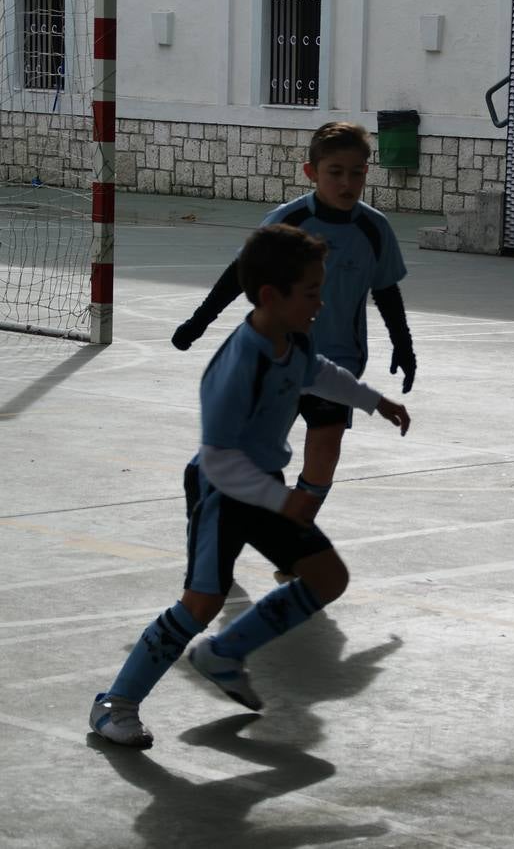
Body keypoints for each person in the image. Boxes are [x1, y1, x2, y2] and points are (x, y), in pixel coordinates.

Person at [89, 224, 410, 748]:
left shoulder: (291, 338)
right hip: (224, 490)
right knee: (200, 603)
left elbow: (318, 373)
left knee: (327, 577)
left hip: (265, 485)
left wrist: (373, 400)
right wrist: (286, 500)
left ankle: (224, 653)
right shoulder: (241, 363)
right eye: (311, 292)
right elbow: (217, 460)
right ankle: (115, 703)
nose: (320, 300)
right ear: (270, 296)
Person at [171, 122, 415, 535]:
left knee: (326, 443)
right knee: (251, 452)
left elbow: (386, 290)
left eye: (356, 172)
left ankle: (293, 532)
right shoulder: (289, 220)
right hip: (277, 356)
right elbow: (239, 274)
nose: (347, 182)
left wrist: (403, 346)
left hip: (337, 358)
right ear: (311, 172)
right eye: (335, 171)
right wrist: (199, 321)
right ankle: (207, 498)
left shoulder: (374, 229)